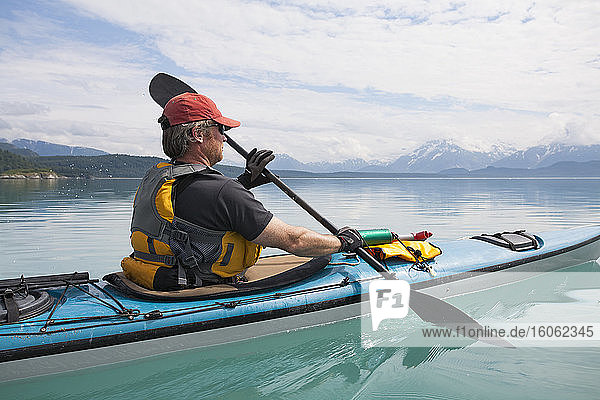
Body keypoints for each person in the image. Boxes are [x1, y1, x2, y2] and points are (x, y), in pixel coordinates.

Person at [121, 92, 363, 290]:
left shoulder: (157, 179)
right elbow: (295, 241)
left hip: (152, 278)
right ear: (197, 134)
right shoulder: (223, 191)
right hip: (199, 289)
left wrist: (244, 181)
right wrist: (342, 241)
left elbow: (196, 209)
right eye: (220, 130)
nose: (224, 139)